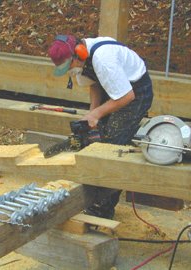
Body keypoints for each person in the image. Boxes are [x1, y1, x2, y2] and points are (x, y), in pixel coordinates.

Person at [48, 35, 153, 218]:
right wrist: (92, 113)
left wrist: (97, 114)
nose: (70, 71)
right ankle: (90, 194)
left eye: (70, 66)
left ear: (78, 54)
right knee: (93, 138)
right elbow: (95, 83)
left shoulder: (103, 59)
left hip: (135, 92)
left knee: (111, 147)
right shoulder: (85, 57)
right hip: (115, 90)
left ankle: (102, 209)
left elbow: (126, 97)